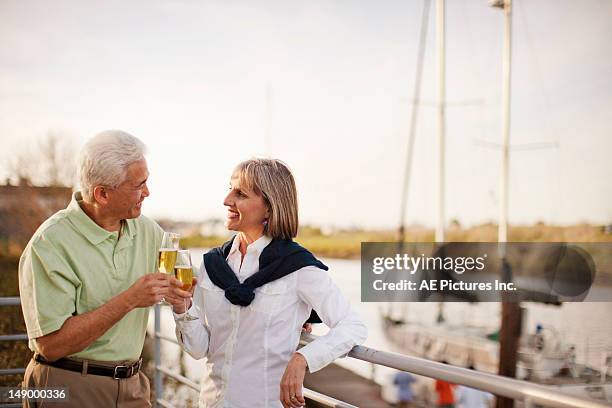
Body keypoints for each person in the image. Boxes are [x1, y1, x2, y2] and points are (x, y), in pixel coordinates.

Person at [167, 158, 367, 408]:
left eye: (240, 193)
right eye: (229, 189)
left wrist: (302, 358)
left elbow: (353, 326)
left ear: (270, 207)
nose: (227, 200)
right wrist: (182, 307)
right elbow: (200, 349)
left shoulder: (298, 267)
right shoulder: (212, 264)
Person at [19, 130, 179, 407]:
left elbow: (182, 281)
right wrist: (129, 300)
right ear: (102, 194)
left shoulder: (149, 231)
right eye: (138, 185)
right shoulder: (50, 244)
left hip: (133, 389)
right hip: (65, 387)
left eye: (147, 181)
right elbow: (51, 345)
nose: (147, 192)